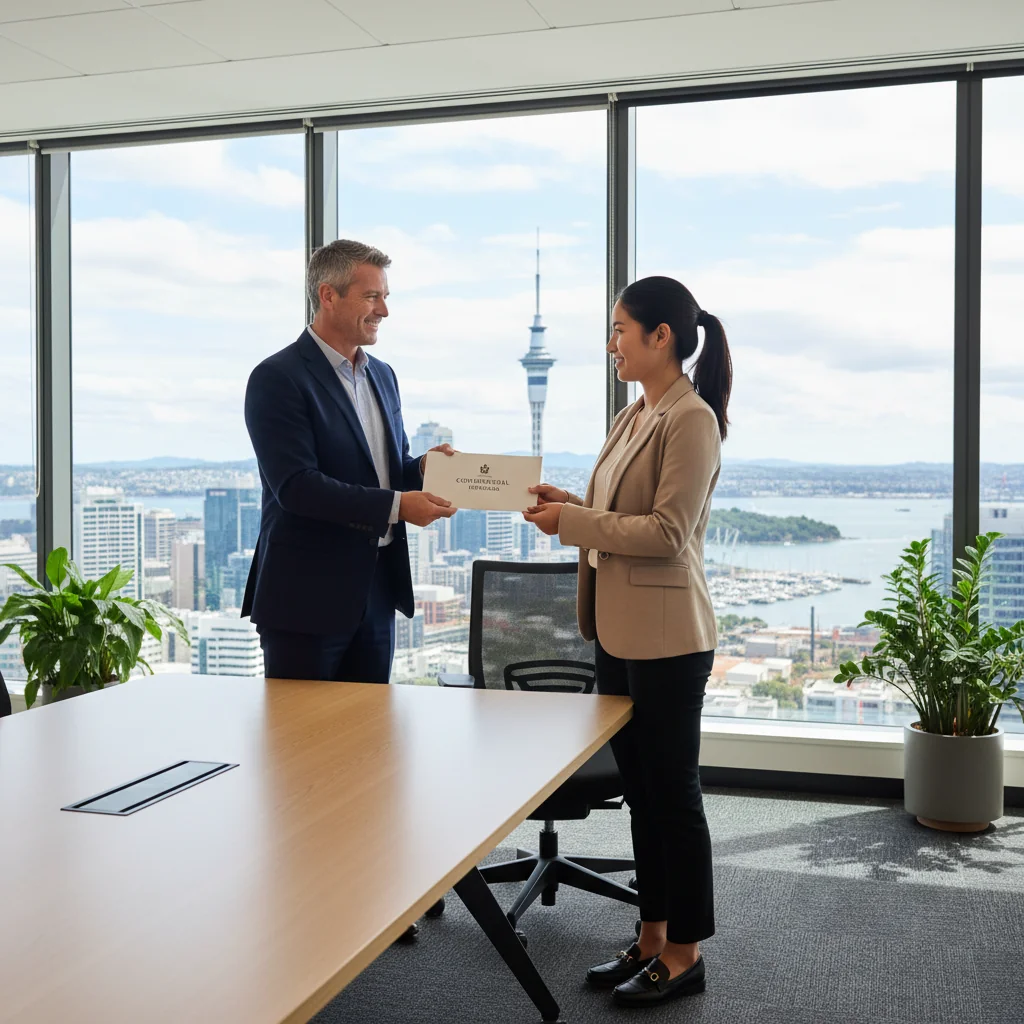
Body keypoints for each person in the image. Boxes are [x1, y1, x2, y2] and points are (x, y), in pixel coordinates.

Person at [523, 275, 731, 1009]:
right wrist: (568, 507)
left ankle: (685, 951)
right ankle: (649, 937)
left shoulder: (691, 419)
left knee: (673, 795)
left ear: (660, 336)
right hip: (617, 630)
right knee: (641, 794)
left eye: (619, 329)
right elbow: (616, 512)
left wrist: (574, 527)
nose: (611, 343)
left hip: (670, 638)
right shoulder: (632, 415)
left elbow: (668, 534)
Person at [242, 239, 457, 684]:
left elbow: (387, 467)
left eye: (385, 297)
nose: (384, 311)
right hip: (305, 600)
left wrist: (422, 469)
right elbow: (297, 486)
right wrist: (398, 506)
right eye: (372, 296)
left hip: (376, 592)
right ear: (328, 295)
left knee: (373, 741)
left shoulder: (383, 375)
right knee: (301, 744)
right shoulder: (277, 378)